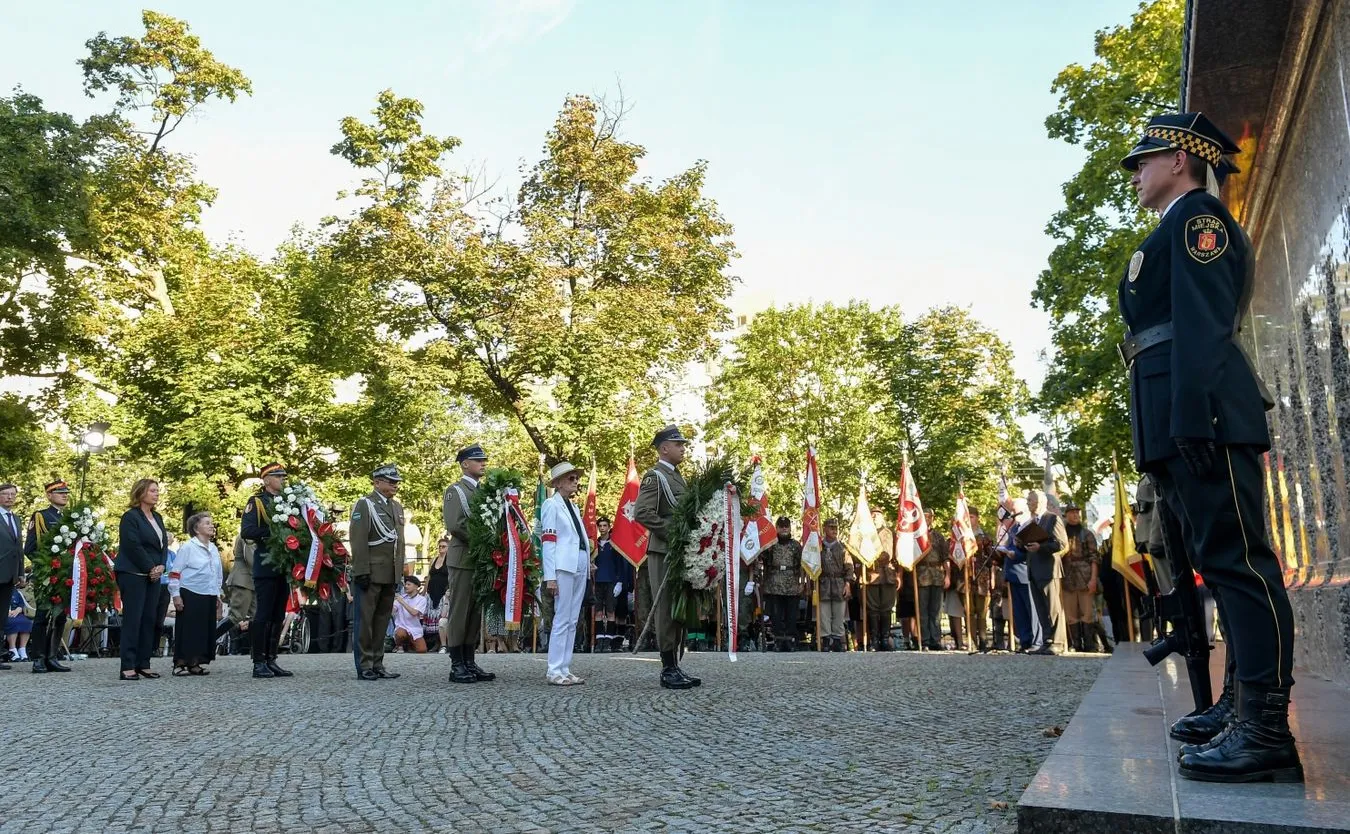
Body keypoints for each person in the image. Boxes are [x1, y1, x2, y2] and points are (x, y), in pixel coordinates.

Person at [1119, 113, 1300, 784]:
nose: (1135, 171)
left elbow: (1202, 323)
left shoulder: (1202, 223)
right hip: (1182, 417)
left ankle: (1264, 726)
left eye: (1144, 159)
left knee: (1239, 565)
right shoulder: (1176, 225)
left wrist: (1191, 417)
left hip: (1205, 416)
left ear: (1180, 160)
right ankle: (1240, 702)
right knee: (1220, 568)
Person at [633, 424, 699, 689]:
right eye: (678, 444)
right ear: (664, 448)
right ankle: (667, 667)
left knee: (678, 608)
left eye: (683, 444)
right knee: (666, 609)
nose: (683, 448)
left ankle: (675, 664)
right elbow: (642, 512)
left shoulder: (677, 476)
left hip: (678, 551)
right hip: (663, 550)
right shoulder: (655, 477)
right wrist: (675, 533)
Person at [349, 464, 407, 681]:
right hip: (371, 572)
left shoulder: (397, 507)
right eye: (390, 481)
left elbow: (398, 544)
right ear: (376, 482)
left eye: (396, 481)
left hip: (389, 573)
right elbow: (358, 539)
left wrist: (398, 574)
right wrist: (361, 570)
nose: (395, 485)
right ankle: (364, 665)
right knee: (365, 621)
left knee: (382, 620)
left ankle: (377, 662)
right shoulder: (365, 505)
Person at [442, 444, 493, 684]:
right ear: (464, 464)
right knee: (460, 612)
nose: (483, 463)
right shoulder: (456, 491)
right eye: (478, 460)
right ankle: (456, 664)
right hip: (463, 558)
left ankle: (469, 660)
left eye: (484, 460)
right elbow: (456, 525)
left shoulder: (483, 492)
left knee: (474, 613)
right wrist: (485, 540)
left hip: (479, 560)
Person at [540, 461, 591, 685]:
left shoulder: (573, 507)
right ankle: (554, 669)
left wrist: (587, 561)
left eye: (576, 478)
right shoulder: (551, 505)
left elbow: (576, 538)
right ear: (558, 483)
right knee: (562, 617)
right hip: (562, 565)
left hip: (577, 563)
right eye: (570, 478)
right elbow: (549, 542)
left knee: (572, 618)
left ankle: (565, 666)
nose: (575, 481)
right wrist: (550, 576)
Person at [241, 462, 293, 679]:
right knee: (263, 613)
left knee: (278, 613)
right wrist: (273, 531)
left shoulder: (288, 502)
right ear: (266, 480)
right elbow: (247, 530)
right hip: (266, 563)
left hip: (284, 565)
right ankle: (258, 661)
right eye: (278, 476)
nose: (282, 480)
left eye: (283, 476)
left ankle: (271, 659)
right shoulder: (257, 502)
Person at [115, 479, 170, 681]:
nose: (156, 494)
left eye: (157, 491)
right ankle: (127, 665)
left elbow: (163, 544)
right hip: (134, 574)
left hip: (154, 574)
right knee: (134, 618)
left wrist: (162, 565)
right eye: (153, 491)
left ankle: (143, 662)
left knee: (150, 619)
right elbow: (133, 545)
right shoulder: (130, 517)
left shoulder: (157, 517)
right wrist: (150, 567)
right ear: (141, 493)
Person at [24, 480, 72, 673]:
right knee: (42, 616)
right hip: (47, 573)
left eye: (66, 492)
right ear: (49, 495)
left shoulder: (72, 517)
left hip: (66, 574)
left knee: (60, 616)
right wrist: (46, 565)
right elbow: (30, 548)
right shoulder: (41, 517)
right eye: (60, 492)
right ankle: (38, 658)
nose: (64, 495)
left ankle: (52, 656)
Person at [169, 512, 224, 675]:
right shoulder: (187, 547)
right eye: (207, 523)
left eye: (211, 523)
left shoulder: (213, 548)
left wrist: (217, 594)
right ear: (196, 528)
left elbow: (217, 572)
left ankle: (195, 661)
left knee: (203, 629)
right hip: (190, 591)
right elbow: (175, 572)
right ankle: (180, 662)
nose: (211, 525)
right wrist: (176, 594)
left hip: (208, 592)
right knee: (188, 629)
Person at [1058, 503, 1101, 653]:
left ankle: (1089, 644)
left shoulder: (1087, 534)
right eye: (1072, 512)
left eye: (1077, 512)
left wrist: (1093, 579)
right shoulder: (1061, 534)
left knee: (1087, 613)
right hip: (1067, 579)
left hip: (1085, 577)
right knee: (1071, 615)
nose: (1075, 515)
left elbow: (1094, 558)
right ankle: (1075, 643)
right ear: (1066, 515)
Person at [591, 517, 632, 653]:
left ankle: (608, 640)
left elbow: (621, 565)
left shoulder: (615, 545)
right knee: (597, 612)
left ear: (609, 527)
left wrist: (620, 582)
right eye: (600, 526)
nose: (602, 528)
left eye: (604, 526)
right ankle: (599, 641)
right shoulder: (594, 545)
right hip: (598, 582)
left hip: (611, 582)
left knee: (610, 612)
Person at [915, 511, 949, 651]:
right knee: (923, 610)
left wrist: (948, 575)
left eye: (929, 517)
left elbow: (945, 558)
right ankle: (925, 640)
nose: (927, 519)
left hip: (937, 575)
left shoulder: (939, 536)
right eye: (925, 517)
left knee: (935, 611)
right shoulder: (916, 537)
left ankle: (935, 639)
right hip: (922, 575)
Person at [865, 510, 899, 651]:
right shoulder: (865, 533)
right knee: (872, 608)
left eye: (877, 514)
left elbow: (897, 555)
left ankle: (885, 639)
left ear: (882, 517)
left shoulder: (890, 533)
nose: (875, 517)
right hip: (871, 574)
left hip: (888, 575)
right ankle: (874, 640)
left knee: (886, 608)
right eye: (872, 514)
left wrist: (899, 575)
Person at [0, 483, 21, 670]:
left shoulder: (16, 518)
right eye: (5, 494)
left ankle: (0, 654)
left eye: (12, 494)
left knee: (1, 615)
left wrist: (20, 572)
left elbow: (18, 548)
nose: (9, 497)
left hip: (9, 574)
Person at [225, 534, 256, 655]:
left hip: (251, 581)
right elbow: (252, 559)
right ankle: (206, 643)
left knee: (257, 616)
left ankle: (257, 653)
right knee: (236, 616)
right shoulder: (248, 533)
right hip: (243, 580)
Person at [391, 575, 429, 653]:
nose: (405, 586)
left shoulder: (421, 599)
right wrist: (390, 602)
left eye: (408, 584)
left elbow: (414, 613)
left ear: (416, 586)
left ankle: (409, 645)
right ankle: (399, 645)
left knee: (422, 650)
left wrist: (402, 602)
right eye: (405, 584)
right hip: (402, 627)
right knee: (400, 633)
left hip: (414, 629)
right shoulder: (401, 598)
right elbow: (392, 611)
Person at [427, 537, 450, 653]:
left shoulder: (450, 560)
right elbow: (429, 576)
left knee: (441, 617)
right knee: (433, 619)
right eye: (440, 546)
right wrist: (425, 590)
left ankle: (443, 643)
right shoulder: (434, 560)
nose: (441, 549)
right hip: (432, 591)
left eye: (444, 546)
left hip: (443, 592)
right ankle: (436, 642)